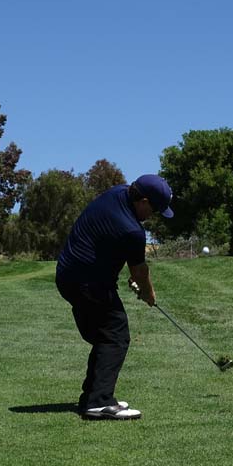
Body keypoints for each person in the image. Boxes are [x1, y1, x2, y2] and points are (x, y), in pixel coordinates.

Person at [55, 174, 173, 420]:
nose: (152, 216)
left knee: (103, 335)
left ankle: (92, 396)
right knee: (115, 333)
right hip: (87, 282)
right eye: (153, 208)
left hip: (68, 274)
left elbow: (109, 243)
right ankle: (98, 402)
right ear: (142, 200)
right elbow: (140, 270)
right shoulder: (132, 229)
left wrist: (128, 274)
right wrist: (149, 294)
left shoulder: (117, 192)